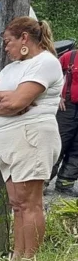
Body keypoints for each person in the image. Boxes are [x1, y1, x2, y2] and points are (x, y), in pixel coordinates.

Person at [0, 16, 64, 260]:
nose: (5, 48)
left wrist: (11, 100)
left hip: (32, 135)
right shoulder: (11, 68)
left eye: (8, 41)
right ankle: (16, 257)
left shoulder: (45, 62)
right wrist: (11, 99)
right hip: (8, 137)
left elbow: (16, 103)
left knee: (30, 202)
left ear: (24, 38)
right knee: (16, 203)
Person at [52, 47, 78, 196]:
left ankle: (65, 184)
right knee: (58, 143)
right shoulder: (70, 57)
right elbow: (51, 77)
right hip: (66, 107)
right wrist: (58, 96)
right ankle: (42, 182)